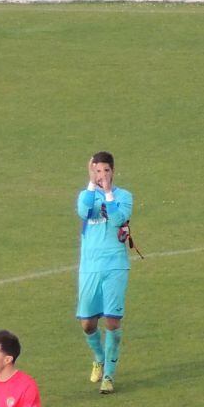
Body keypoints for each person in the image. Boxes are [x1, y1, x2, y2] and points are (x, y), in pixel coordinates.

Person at [76, 151, 134, 394]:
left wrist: (109, 193)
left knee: (112, 320)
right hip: (89, 267)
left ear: (113, 171)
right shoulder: (85, 195)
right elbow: (83, 211)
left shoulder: (124, 196)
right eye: (97, 171)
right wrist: (92, 184)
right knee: (88, 324)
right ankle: (99, 357)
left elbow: (118, 218)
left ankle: (109, 375)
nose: (102, 175)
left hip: (115, 265)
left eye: (105, 171)